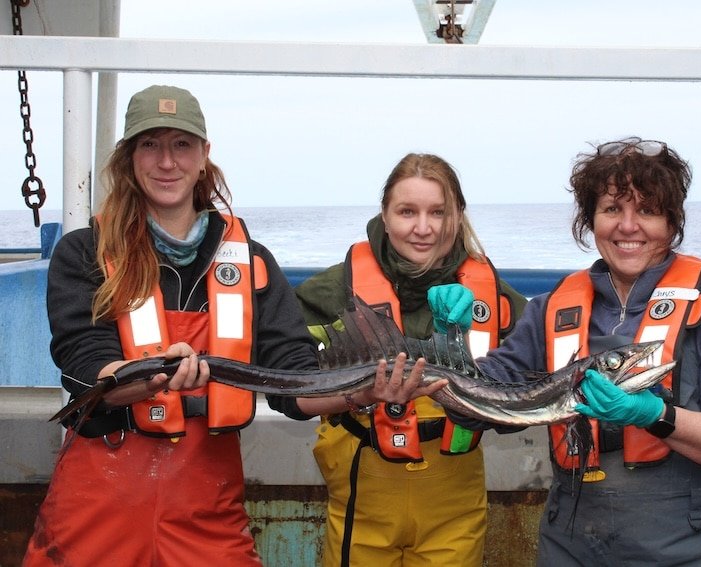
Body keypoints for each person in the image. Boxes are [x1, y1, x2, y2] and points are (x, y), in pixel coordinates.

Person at [435, 137, 701, 566]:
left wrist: (657, 415)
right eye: (612, 209)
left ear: (672, 223)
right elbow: (473, 410)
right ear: (591, 220)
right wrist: (448, 340)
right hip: (574, 547)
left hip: (699, 548)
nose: (628, 226)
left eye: (648, 210)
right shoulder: (549, 311)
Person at [24, 85, 318, 566]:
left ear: (204, 155)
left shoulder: (252, 261)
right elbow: (85, 363)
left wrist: (364, 391)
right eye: (150, 145)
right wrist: (153, 374)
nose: (167, 161)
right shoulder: (84, 252)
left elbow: (295, 379)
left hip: (206, 501)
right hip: (99, 497)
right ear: (129, 157)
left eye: (181, 144)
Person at [268, 152, 527, 566]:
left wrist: (461, 344)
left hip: (454, 497)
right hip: (363, 487)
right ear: (385, 216)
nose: (423, 228)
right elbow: (287, 387)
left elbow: (528, 395)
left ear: (458, 217)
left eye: (438, 212)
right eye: (407, 212)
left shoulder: (494, 295)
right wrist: (360, 391)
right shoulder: (332, 291)